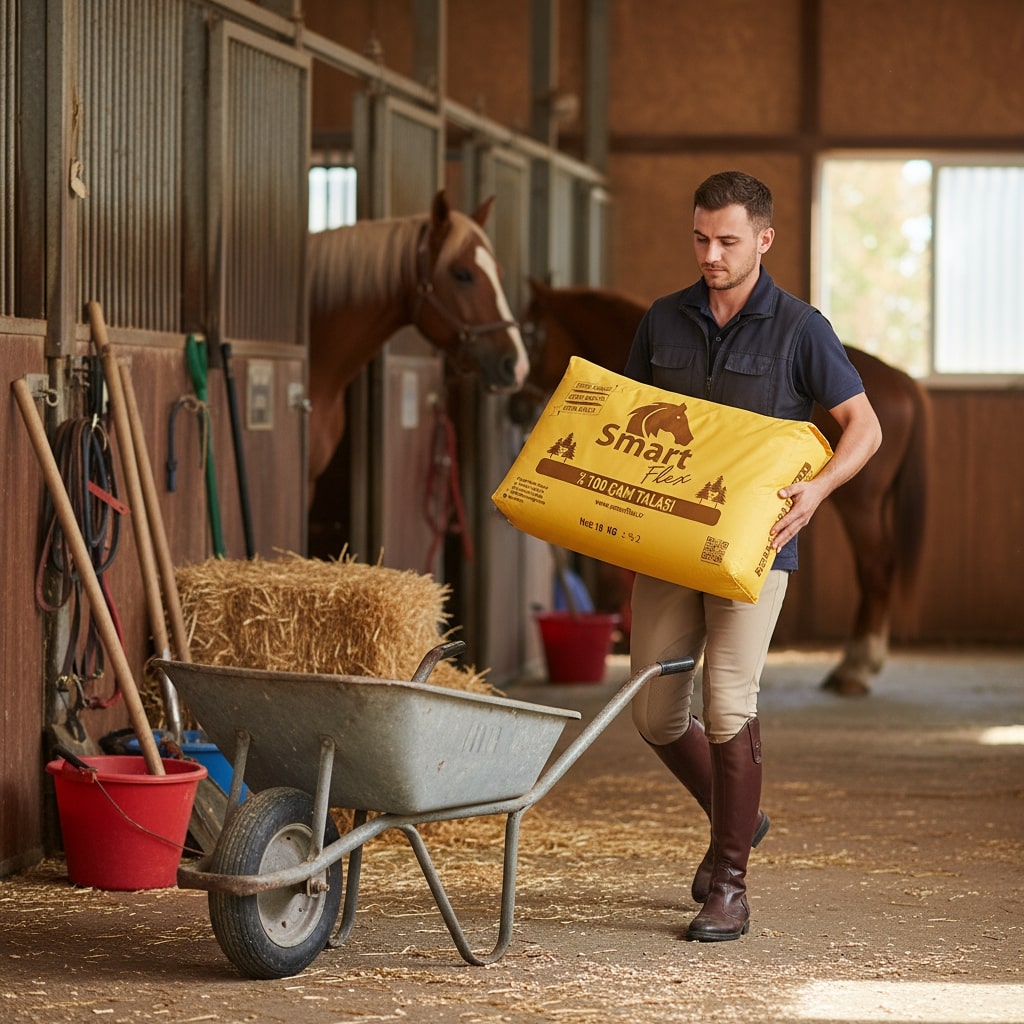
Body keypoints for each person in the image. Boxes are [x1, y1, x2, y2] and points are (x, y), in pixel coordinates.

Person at [622, 170, 882, 943]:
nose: (711, 254)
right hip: (668, 542)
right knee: (653, 712)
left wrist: (819, 490)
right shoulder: (662, 320)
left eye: (728, 240)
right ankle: (738, 815)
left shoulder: (802, 328)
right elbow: (624, 423)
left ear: (764, 239)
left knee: (729, 703)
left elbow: (863, 427)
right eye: (700, 238)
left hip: (755, 548)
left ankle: (729, 883)